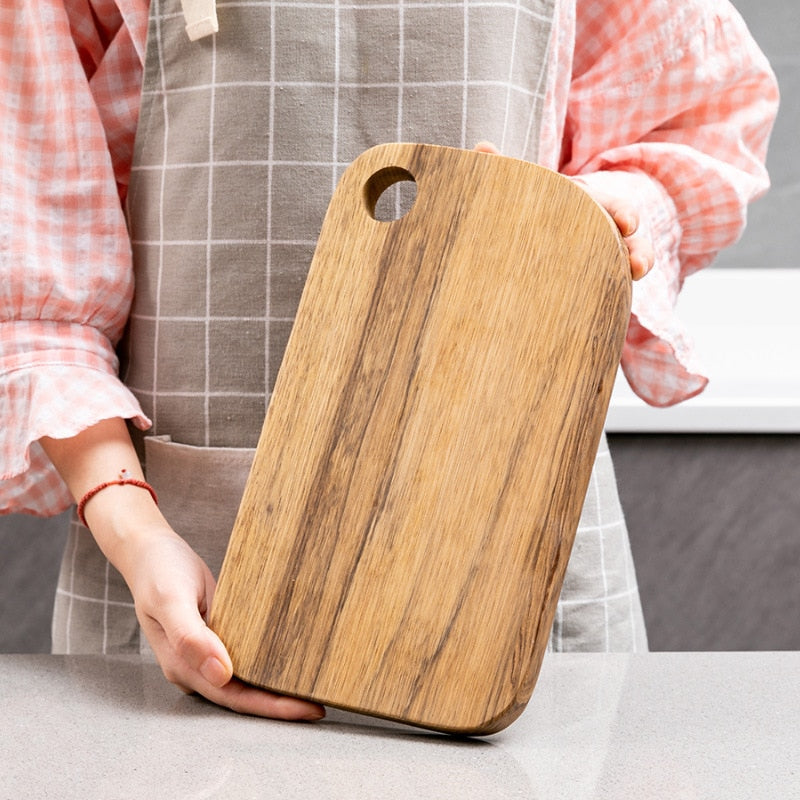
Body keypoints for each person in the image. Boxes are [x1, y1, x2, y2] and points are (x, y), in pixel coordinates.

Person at [1, 0, 778, 721]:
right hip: (182, 576)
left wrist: (614, 209)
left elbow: (697, 106)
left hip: (510, 551)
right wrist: (139, 538)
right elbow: (32, 256)